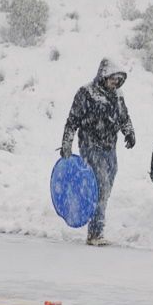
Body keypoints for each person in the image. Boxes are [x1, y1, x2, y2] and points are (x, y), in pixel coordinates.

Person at [60, 58, 136, 245]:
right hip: (90, 145)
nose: (115, 83)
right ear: (103, 76)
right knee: (100, 186)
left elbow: (124, 117)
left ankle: (95, 221)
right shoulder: (86, 93)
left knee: (107, 187)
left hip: (110, 146)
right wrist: (66, 143)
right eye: (112, 79)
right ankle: (95, 233)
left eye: (118, 80)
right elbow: (72, 120)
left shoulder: (118, 95)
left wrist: (129, 132)